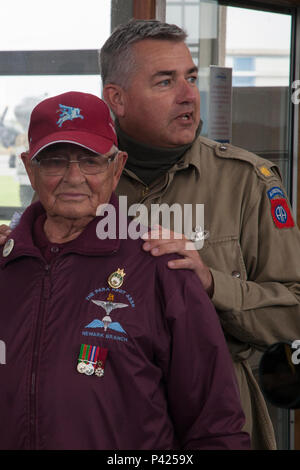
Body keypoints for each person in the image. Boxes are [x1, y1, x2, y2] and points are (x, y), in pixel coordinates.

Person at [0, 91, 250, 450]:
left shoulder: (162, 267)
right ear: (30, 168)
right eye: (55, 161)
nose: (74, 177)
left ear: (116, 168)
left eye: (91, 162)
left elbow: (216, 428)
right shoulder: (5, 264)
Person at [99, 19, 300, 449]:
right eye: (165, 81)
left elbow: (295, 310)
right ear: (117, 98)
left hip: (217, 422)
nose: (189, 94)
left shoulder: (248, 181)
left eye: (190, 77)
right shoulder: (86, 182)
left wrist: (212, 284)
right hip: (108, 417)